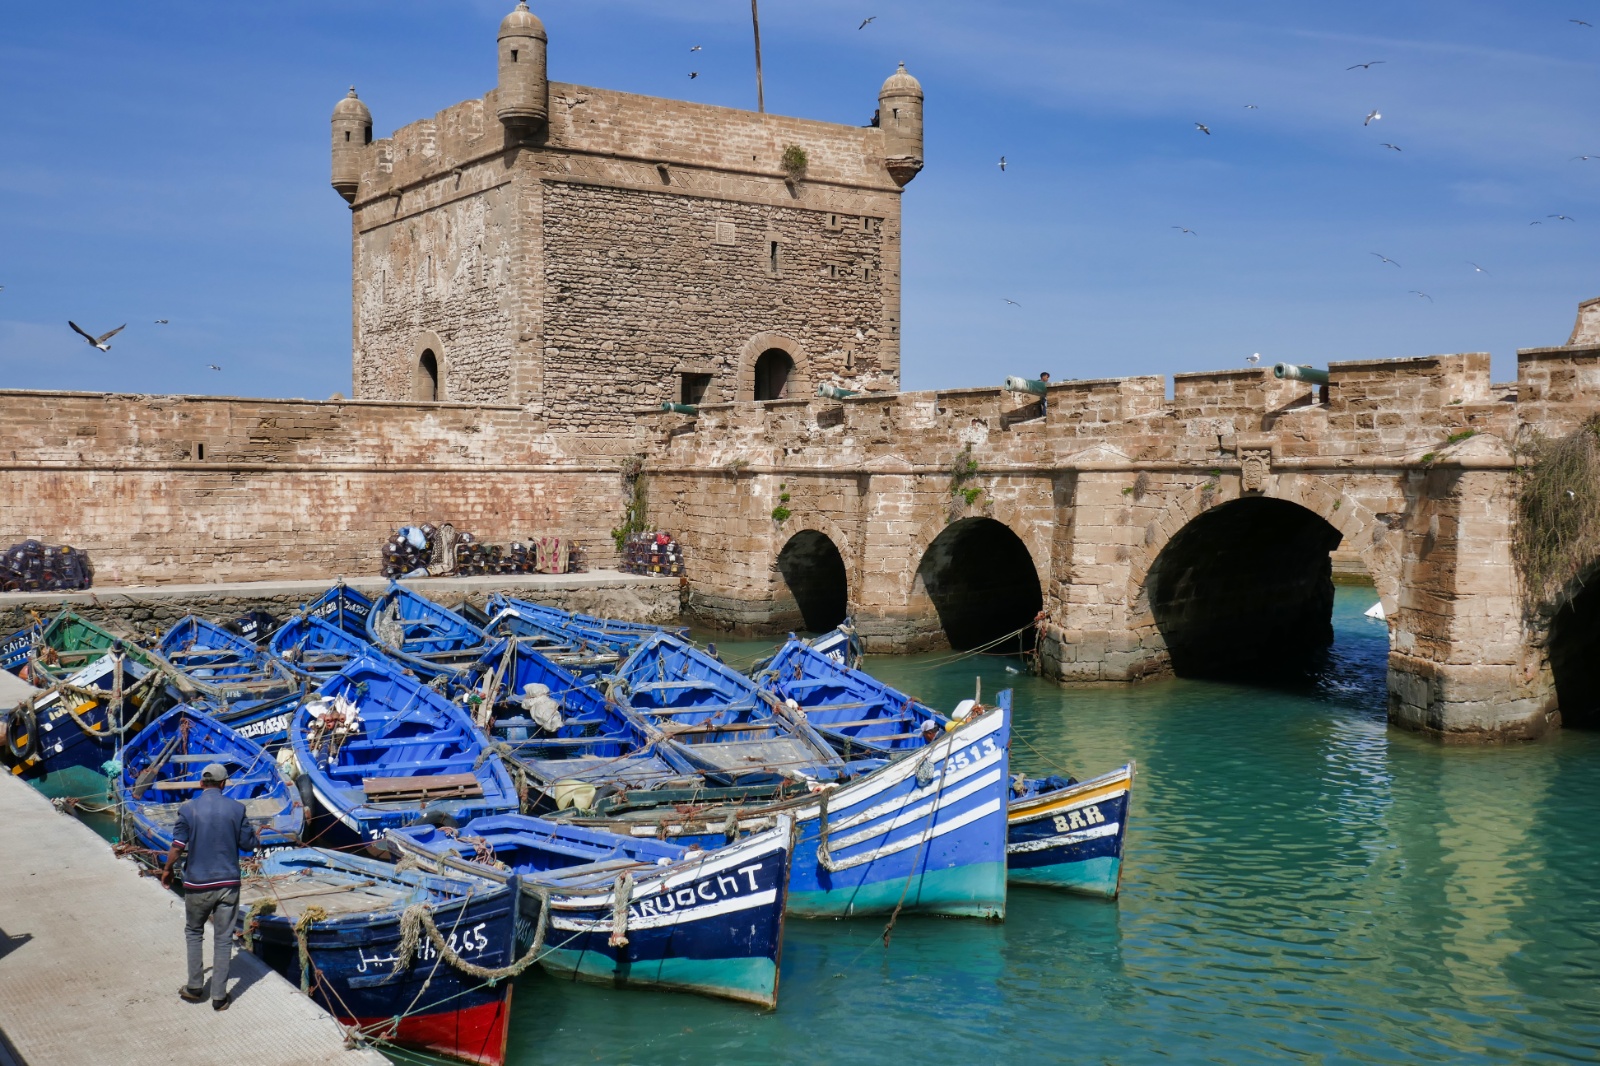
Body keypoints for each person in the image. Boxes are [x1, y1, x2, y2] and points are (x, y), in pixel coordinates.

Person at [161, 762, 258, 1011]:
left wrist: (167, 869)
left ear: (202, 783)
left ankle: (195, 987)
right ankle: (219, 998)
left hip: (197, 884)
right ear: (223, 784)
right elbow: (248, 844)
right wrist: (253, 832)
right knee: (223, 939)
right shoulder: (237, 808)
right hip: (228, 884)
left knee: (194, 932)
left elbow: (177, 846)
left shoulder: (188, 809)